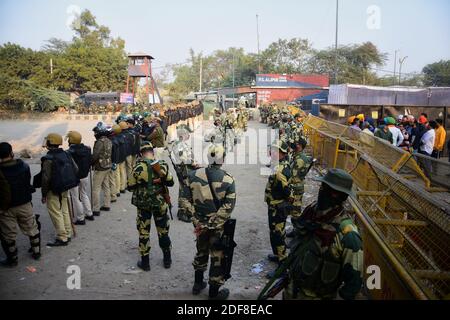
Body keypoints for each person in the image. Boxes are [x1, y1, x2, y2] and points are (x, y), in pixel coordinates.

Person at [282, 168, 363, 300]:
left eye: (331, 191)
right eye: (323, 186)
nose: (323, 191)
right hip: (292, 290)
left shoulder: (347, 234)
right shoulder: (313, 211)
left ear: (342, 196)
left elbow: (353, 283)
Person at [186, 144, 236, 300]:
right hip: (218, 227)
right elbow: (229, 207)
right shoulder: (228, 179)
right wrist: (213, 223)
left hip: (199, 225)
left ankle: (197, 284)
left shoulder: (192, 175)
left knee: (201, 251)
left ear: (208, 158)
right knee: (217, 256)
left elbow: (184, 201)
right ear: (222, 159)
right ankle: (214, 294)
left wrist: (197, 220)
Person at [128, 142, 174, 271]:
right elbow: (171, 182)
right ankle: (167, 260)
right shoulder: (162, 166)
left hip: (143, 206)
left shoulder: (137, 168)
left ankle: (145, 263)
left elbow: (130, 186)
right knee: (163, 232)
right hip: (160, 204)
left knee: (144, 233)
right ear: (152, 152)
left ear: (141, 154)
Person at [0, 142, 40, 266]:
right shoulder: (23, 166)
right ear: (11, 153)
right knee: (32, 228)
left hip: (6, 208)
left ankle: (13, 260)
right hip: (25, 203)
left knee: (8, 235)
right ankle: (36, 252)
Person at [39, 133, 78, 246]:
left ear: (50, 143)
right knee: (64, 210)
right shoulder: (66, 154)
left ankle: (62, 237)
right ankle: (68, 232)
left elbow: (45, 179)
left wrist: (44, 194)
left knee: (56, 212)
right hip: (65, 187)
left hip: (53, 190)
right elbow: (76, 169)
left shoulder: (48, 158)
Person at [264, 140, 293, 277]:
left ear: (282, 153)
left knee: (278, 235)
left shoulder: (280, 170)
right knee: (274, 232)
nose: (272, 152)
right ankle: (277, 255)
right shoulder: (280, 165)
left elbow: (287, 192)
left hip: (278, 207)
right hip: (275, 205)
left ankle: (282, 266)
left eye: (275, 150)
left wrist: (283, 204)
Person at [171, 124, 198, 223]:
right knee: (184, 191)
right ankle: (182, 212)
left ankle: (186, 210)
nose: (189, 135)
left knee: (187, 190)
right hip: (184, 171)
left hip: (187, 170)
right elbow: (183, 159)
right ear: (183, 135)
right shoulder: (179, 144)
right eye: (187, 134)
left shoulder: (182, 143)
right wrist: (193, 163)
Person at [66, 131, 94, 225]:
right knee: (84, 194)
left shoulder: (69, 152)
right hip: (85, 175)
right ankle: (89, 213)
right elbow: (90, 161)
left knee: (75, 197)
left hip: (75, 178)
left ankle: (80, 218)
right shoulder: (87, 149)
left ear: (71, 140)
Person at [92, 123, 112, 216]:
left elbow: (95, 155)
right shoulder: (108, 140)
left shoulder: (100, 142)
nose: (95, 134)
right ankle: (107, 204)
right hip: (108, 165)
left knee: (96, 188)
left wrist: (90, 162)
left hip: (100, 167)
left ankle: (96, 209)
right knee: (106, 186)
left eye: (96, 132)